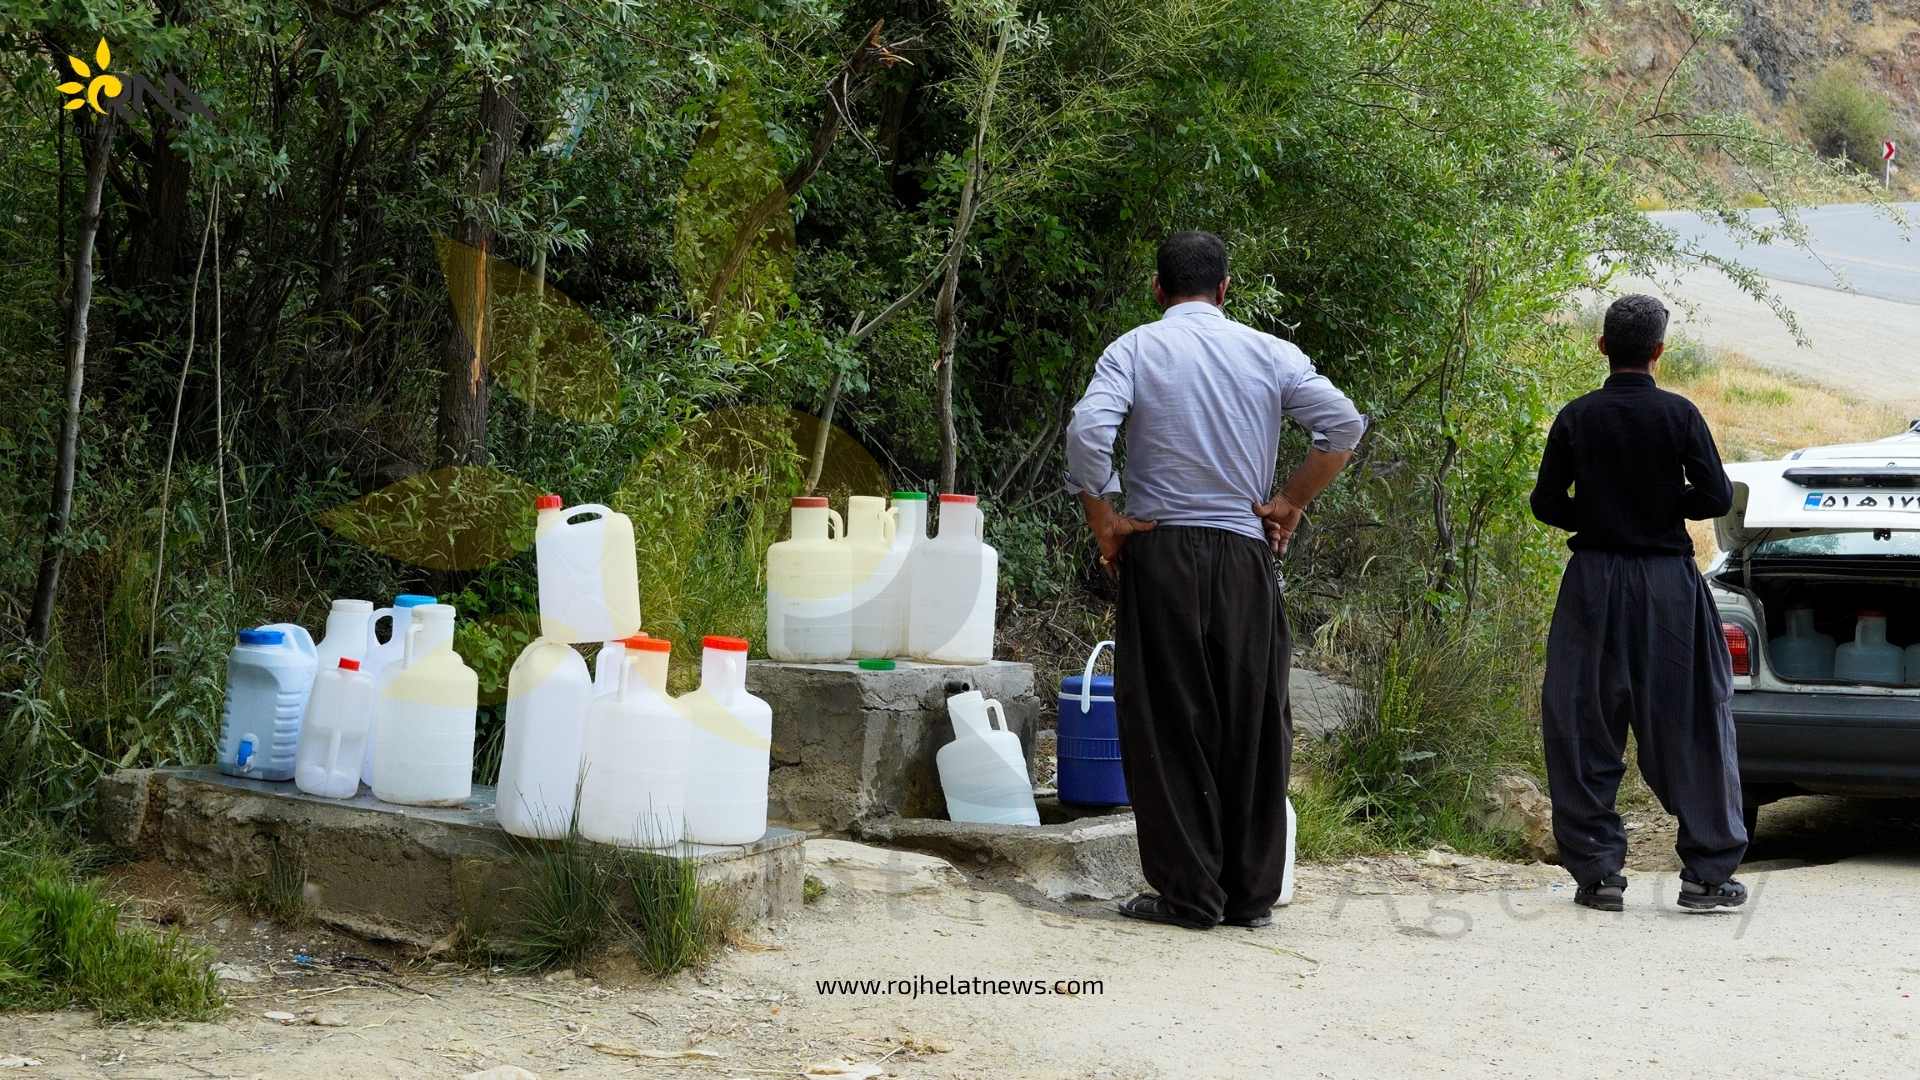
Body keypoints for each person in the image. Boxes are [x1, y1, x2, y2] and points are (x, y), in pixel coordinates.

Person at [1064, 231, 1365, 930]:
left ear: (1158, 289)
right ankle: (1250, 896)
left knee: (1169, 720)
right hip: (1243, 555)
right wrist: (1290, 500)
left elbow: (1087, 431)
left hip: (1160, 551)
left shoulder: (1134, 349)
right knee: (1253, 717)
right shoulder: (1270, 352)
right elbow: (1343, 426)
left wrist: (1104, 515)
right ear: (1225, 290)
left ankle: (1189, 894)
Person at [1530, 293, 1748, 913]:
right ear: (1658, 351)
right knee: (1692, 718)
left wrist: (1601, 513)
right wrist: (1662, 504)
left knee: (1582, 719)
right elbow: (1715, 496)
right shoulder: (1680, 415)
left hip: (1592, 581)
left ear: (1603, 346)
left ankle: (1598, 874)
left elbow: (1546, 502)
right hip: (1667, 585)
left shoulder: (1577, 416)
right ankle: (1707, 875)